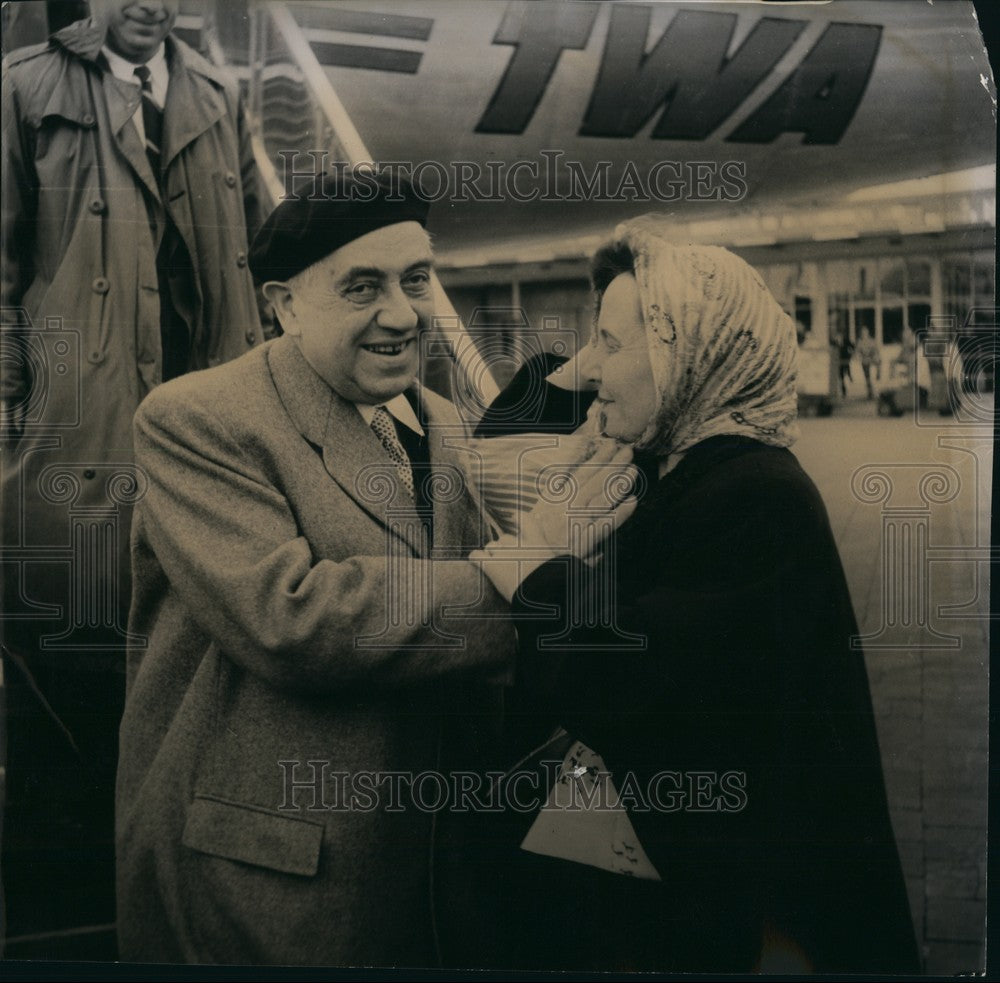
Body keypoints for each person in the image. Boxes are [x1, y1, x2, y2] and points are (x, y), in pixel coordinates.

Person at [466, 219, 920, 974]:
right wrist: (602, 352)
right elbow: (499, 437)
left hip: (753, 922)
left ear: (687, 356)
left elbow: (639, 681)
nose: (595, 367)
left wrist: (538, 571)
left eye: (612, 343)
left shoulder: (753, 496)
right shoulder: (693, 461)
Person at [115, 172, 518, 966]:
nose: (401, 314)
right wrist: (527, 580)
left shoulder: (446, 423)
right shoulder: (197, 419)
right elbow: (294, 618)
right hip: (265, 882)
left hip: (427, 878)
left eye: (415, 279)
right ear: (283, 304)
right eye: (362, 286)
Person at [0, 0, 267, 953]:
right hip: (80, 427)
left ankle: (185, 895)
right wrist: (10, 406)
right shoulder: (25, 88)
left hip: (204, 423)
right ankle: (69, 910)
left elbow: (251, 248)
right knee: (67, 652)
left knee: (199, 657)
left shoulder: (214, 91)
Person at [857, 326, 881, 399]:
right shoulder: (859, 342)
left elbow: (876, 351)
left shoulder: (872, 341)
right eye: (862, 333)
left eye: (865, 332)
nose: (864, 334)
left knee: (873, 378)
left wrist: (873, 357)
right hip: (865, 362)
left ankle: (875, 392)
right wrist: (860, 356)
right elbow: (858, 352)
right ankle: (870, 393)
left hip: (872, 362)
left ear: (868, 333)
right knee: (867, 378)